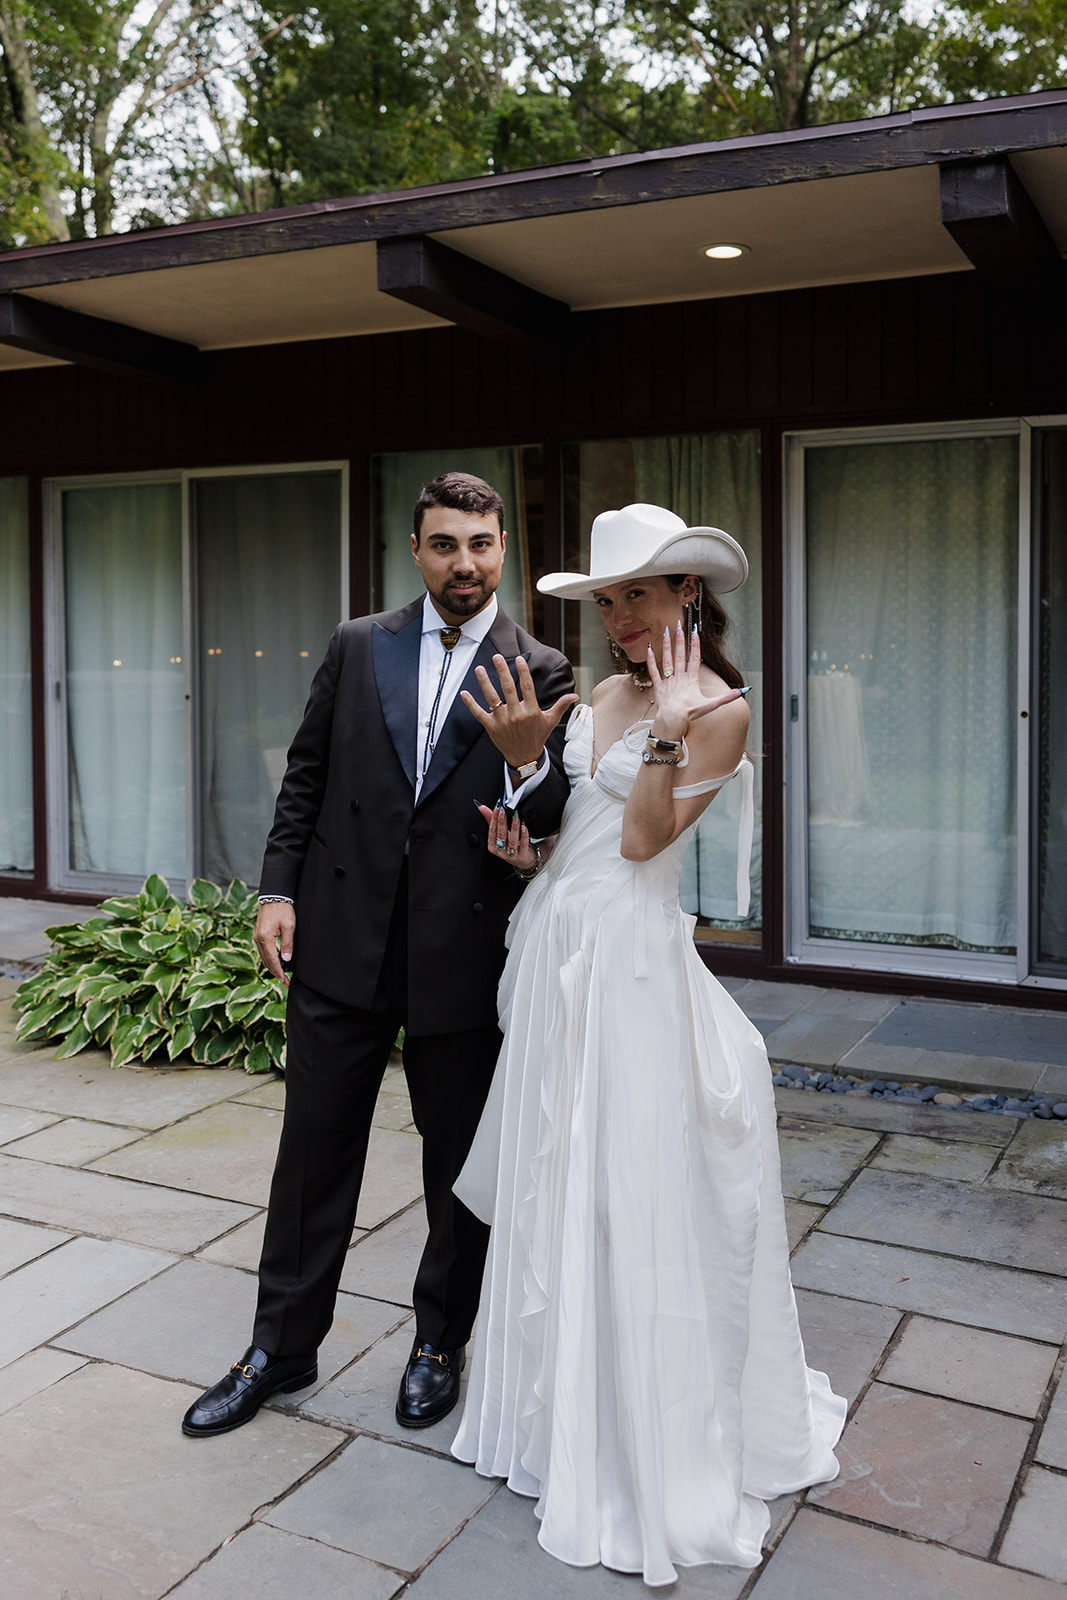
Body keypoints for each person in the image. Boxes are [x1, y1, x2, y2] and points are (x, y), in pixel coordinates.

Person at [450, 503, 846, 1587]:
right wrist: (524, 833)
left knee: (622, 1189)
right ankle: (549, 1414)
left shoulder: (716, 708)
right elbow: (584, 842)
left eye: (640, 591)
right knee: (553, 1174)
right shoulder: (596, 695)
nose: (622, 616)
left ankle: (636, 1435)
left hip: (626, 973)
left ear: (688, 595)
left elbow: (640, 842)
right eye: (609, 596)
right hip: (557, 948)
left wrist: (670, 727)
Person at [182, 471, 576, 1439]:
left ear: (501, 551)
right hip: (342, 945)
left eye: (481, 544)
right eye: (445, 544)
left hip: (463, 953)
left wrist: (526, 759)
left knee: (455, 1168)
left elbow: (556, 824)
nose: (464, 564)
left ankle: (440, 1341)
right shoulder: (361, 645)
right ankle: (280, 1344)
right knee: (311, 1156)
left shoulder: (545, 669)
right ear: (416, 549)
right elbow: (307, 775)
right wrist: (277, 892)